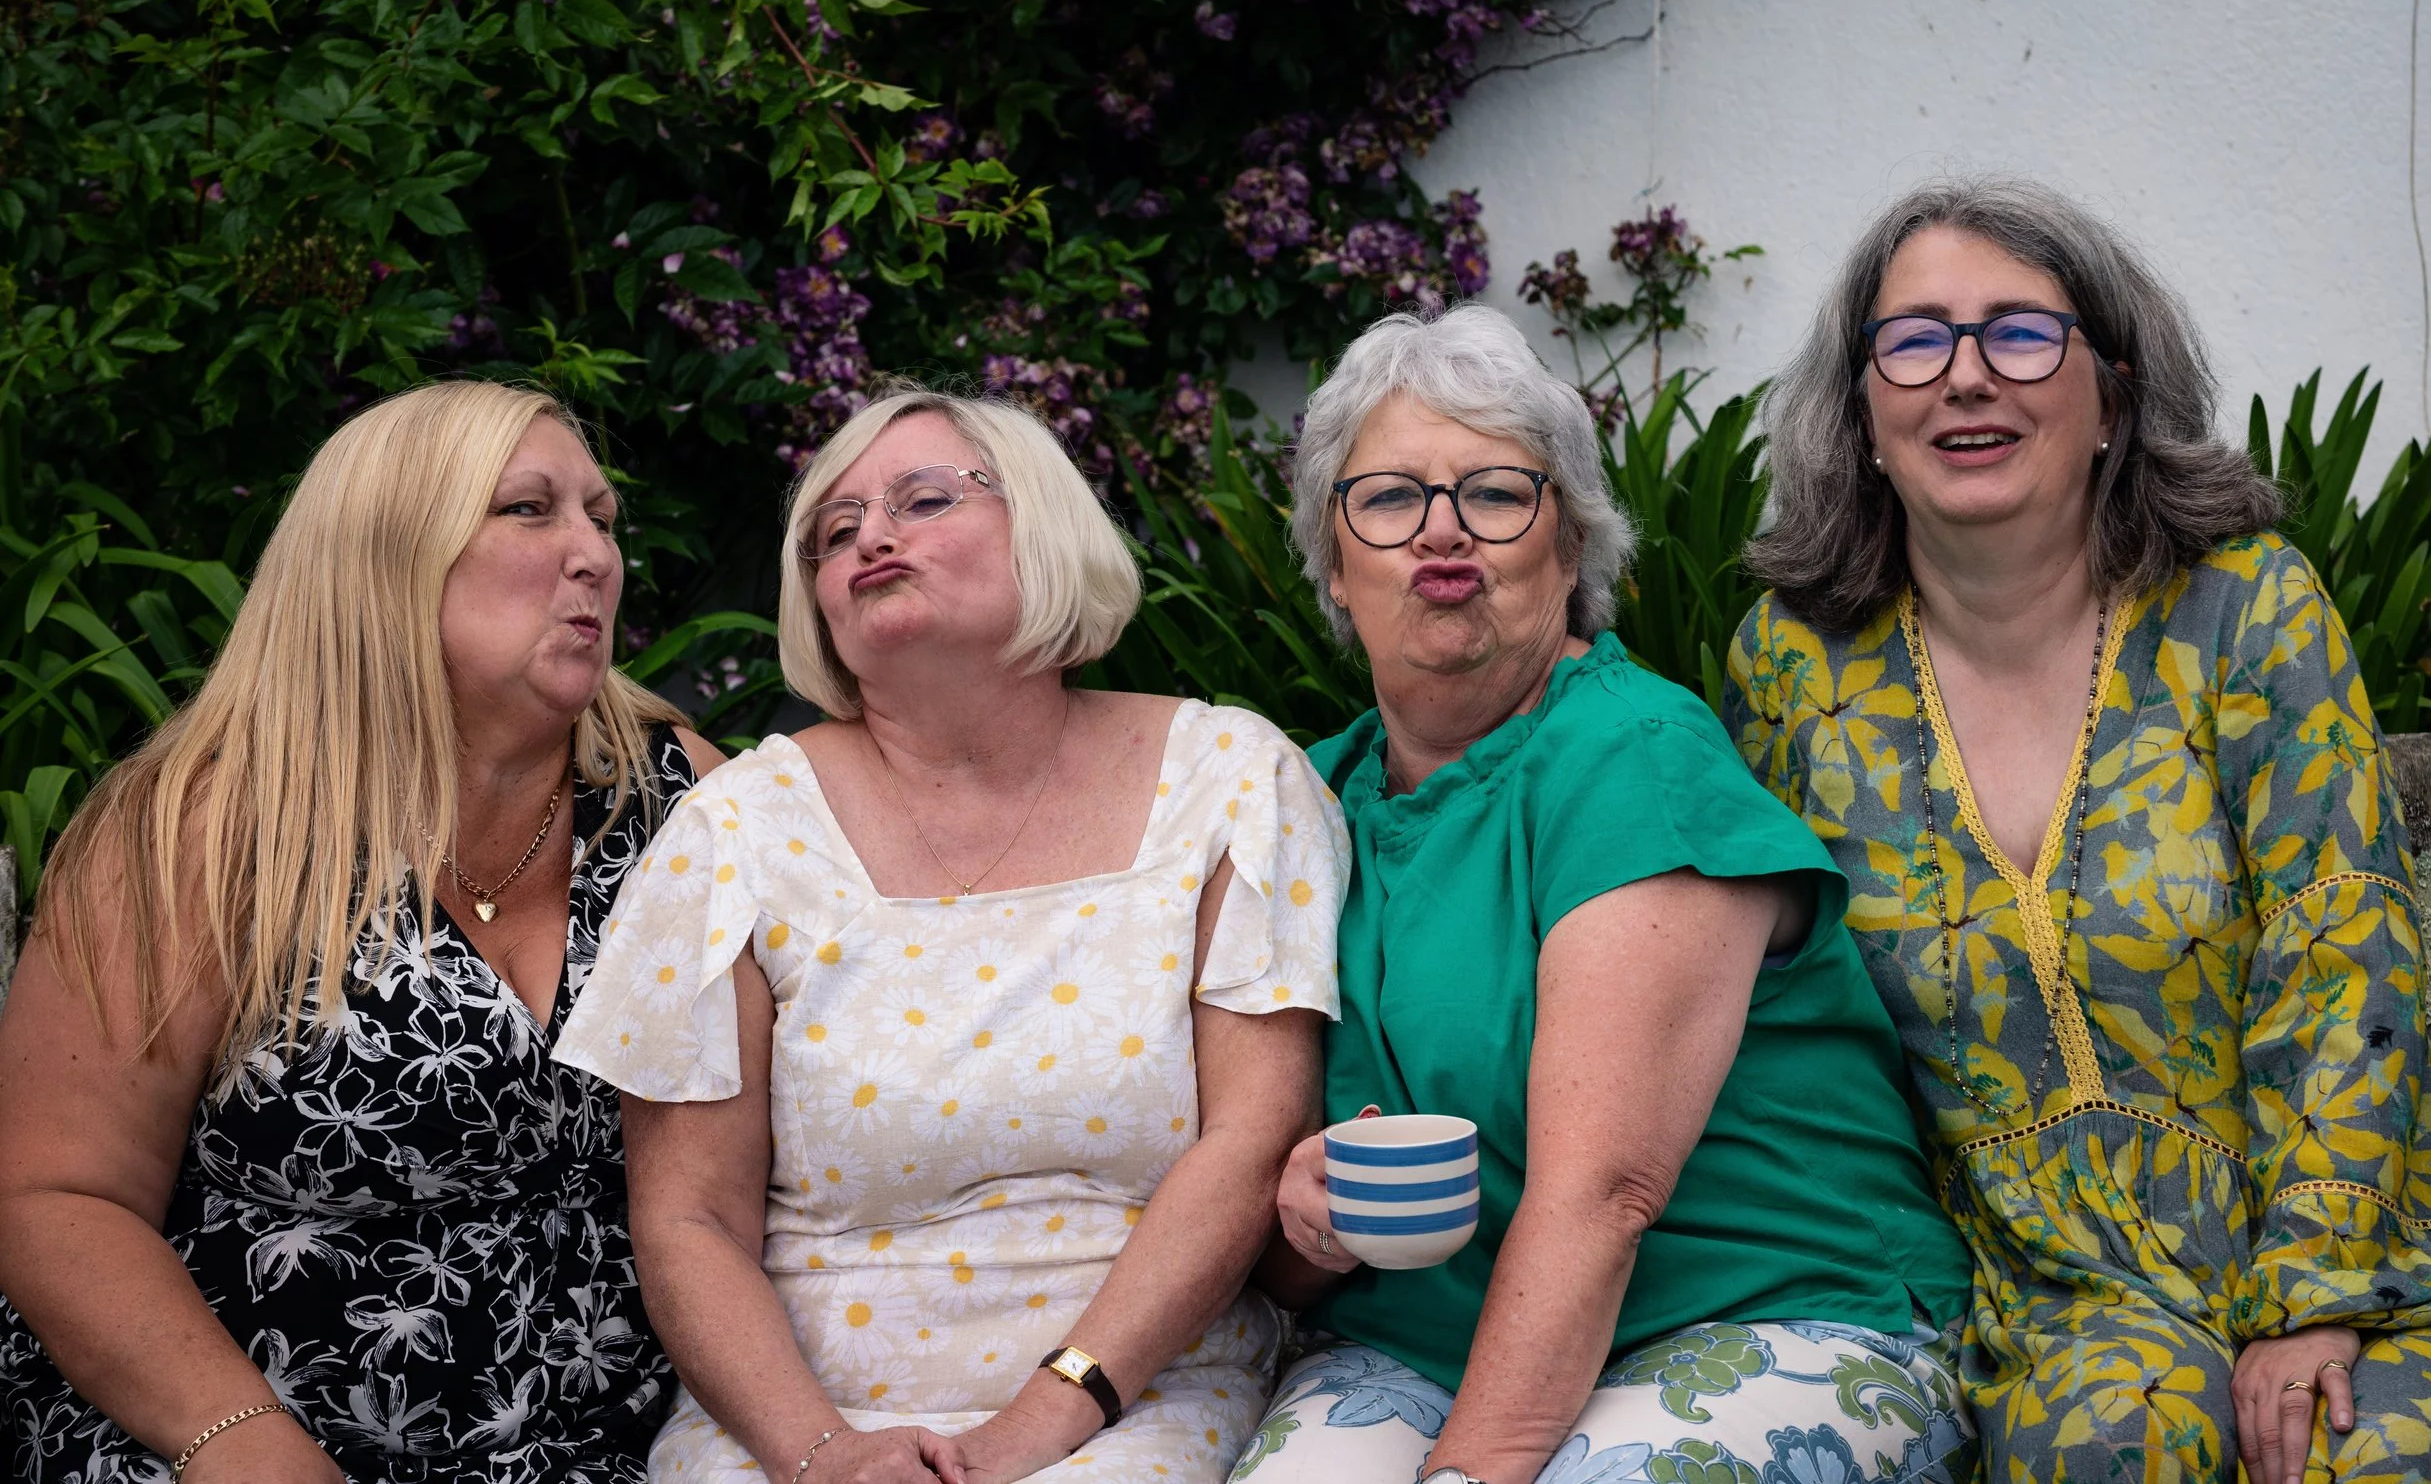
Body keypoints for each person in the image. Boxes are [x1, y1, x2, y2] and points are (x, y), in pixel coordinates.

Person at [1722, 175, 2431, 1484]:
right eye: (1915, 340)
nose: (1965, 376)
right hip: (2061, 1290)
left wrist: (2311, 1295)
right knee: (2104, 1449)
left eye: (2021, 332)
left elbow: (2340, 945)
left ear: (2114, 396)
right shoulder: (1792, 664)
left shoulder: (2246, 606)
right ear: (1863, 411)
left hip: (2366, 1256)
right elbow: (1781, 1012)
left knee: (2364, 1462)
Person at [1236, 305, 1977, 1484]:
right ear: (1332, 556)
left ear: (1570, 547)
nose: (1443, 534)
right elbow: (1269, 1222)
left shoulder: (1633, 758)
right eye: (1387, 499)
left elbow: (1604, 1192)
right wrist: (1305, 1226)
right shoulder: (1302, 802)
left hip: (1767, 1310)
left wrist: (1467, 1475)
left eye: (1495, 494)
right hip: (1424, 1343)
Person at [554, 389, 1346, 1484]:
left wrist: (1035, 1424)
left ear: (1046, 524)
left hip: (1139, 1397)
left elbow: (1250, 1145)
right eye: (834, 532)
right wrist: (822, 1450)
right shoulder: (738, 828)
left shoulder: (1231, 781)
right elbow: (689, 1217)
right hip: (799, 1419)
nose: (871, 535)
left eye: (923, 498)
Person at [0, 382, 723, 1482]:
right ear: (383, 552)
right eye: (529, 509)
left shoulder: (677, 800)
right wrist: (237, 1441)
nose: (593, 554)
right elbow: (56, 1192)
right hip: (227, 1438)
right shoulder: (206, 832)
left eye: (603, 517)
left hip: (611, 1449)